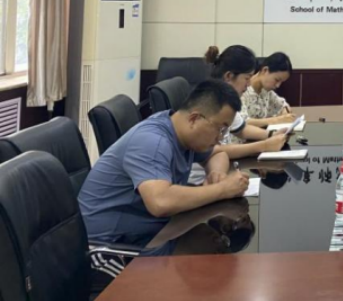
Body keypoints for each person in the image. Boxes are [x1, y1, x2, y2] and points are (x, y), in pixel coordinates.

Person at [78, 80, 251, 248]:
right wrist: (222, 189)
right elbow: (160, 202)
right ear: (194, 119)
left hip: (151, 234)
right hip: (110, 247)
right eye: (220, 129)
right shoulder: (153, 142)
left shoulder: (180, 130)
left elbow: (218, 153)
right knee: (212, 256)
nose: (220, 137)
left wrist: (217, 174)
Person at [205, 45, 289, 160]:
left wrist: (272, 134)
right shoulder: (209, 102)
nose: (249, 84)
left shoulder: (226, 100)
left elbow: (242, 129)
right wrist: (264, 146)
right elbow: (214, 151)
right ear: (229, 76)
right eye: (247, 78)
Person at [241, 52, 295, 131]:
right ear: (265, 70)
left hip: (262, 136)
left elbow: (283, 105)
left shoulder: (266, 91)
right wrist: (277, 120)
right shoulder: (242, 90)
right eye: (277, 80)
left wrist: (285, 112)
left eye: (281, 82)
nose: (278, 86)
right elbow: (242, 122)